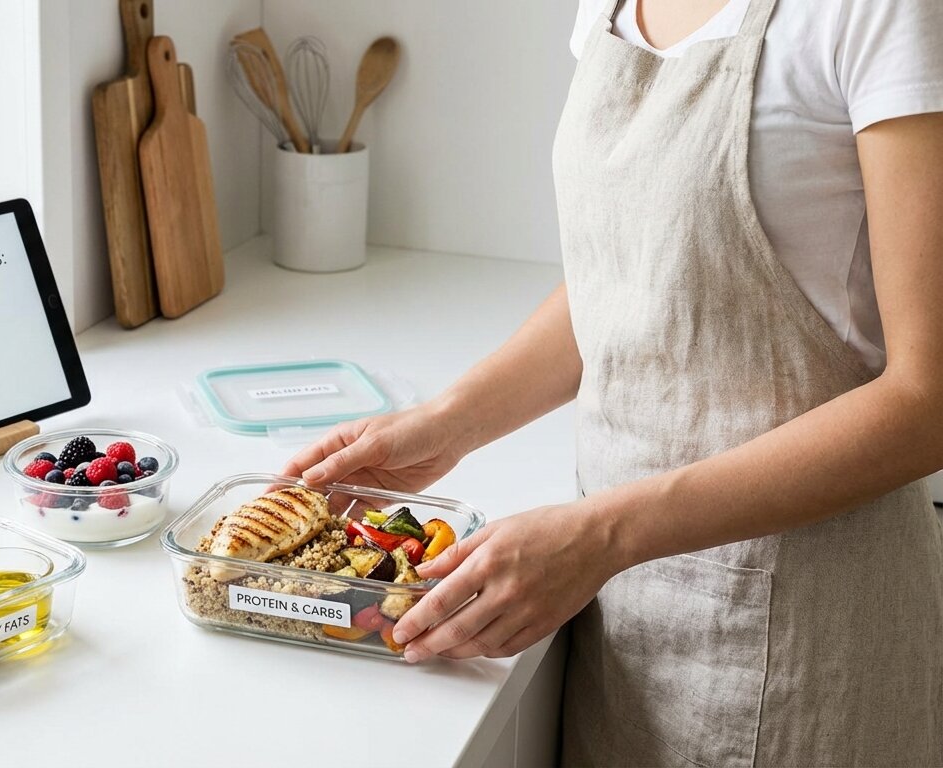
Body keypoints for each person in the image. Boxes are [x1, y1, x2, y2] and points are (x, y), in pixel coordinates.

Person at [283, 0, 943, 763]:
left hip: (806, 639)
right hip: (617, 615)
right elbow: (636, 277)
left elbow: (925, 401)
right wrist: (446, 423)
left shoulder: (879, 12)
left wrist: (602, 534)